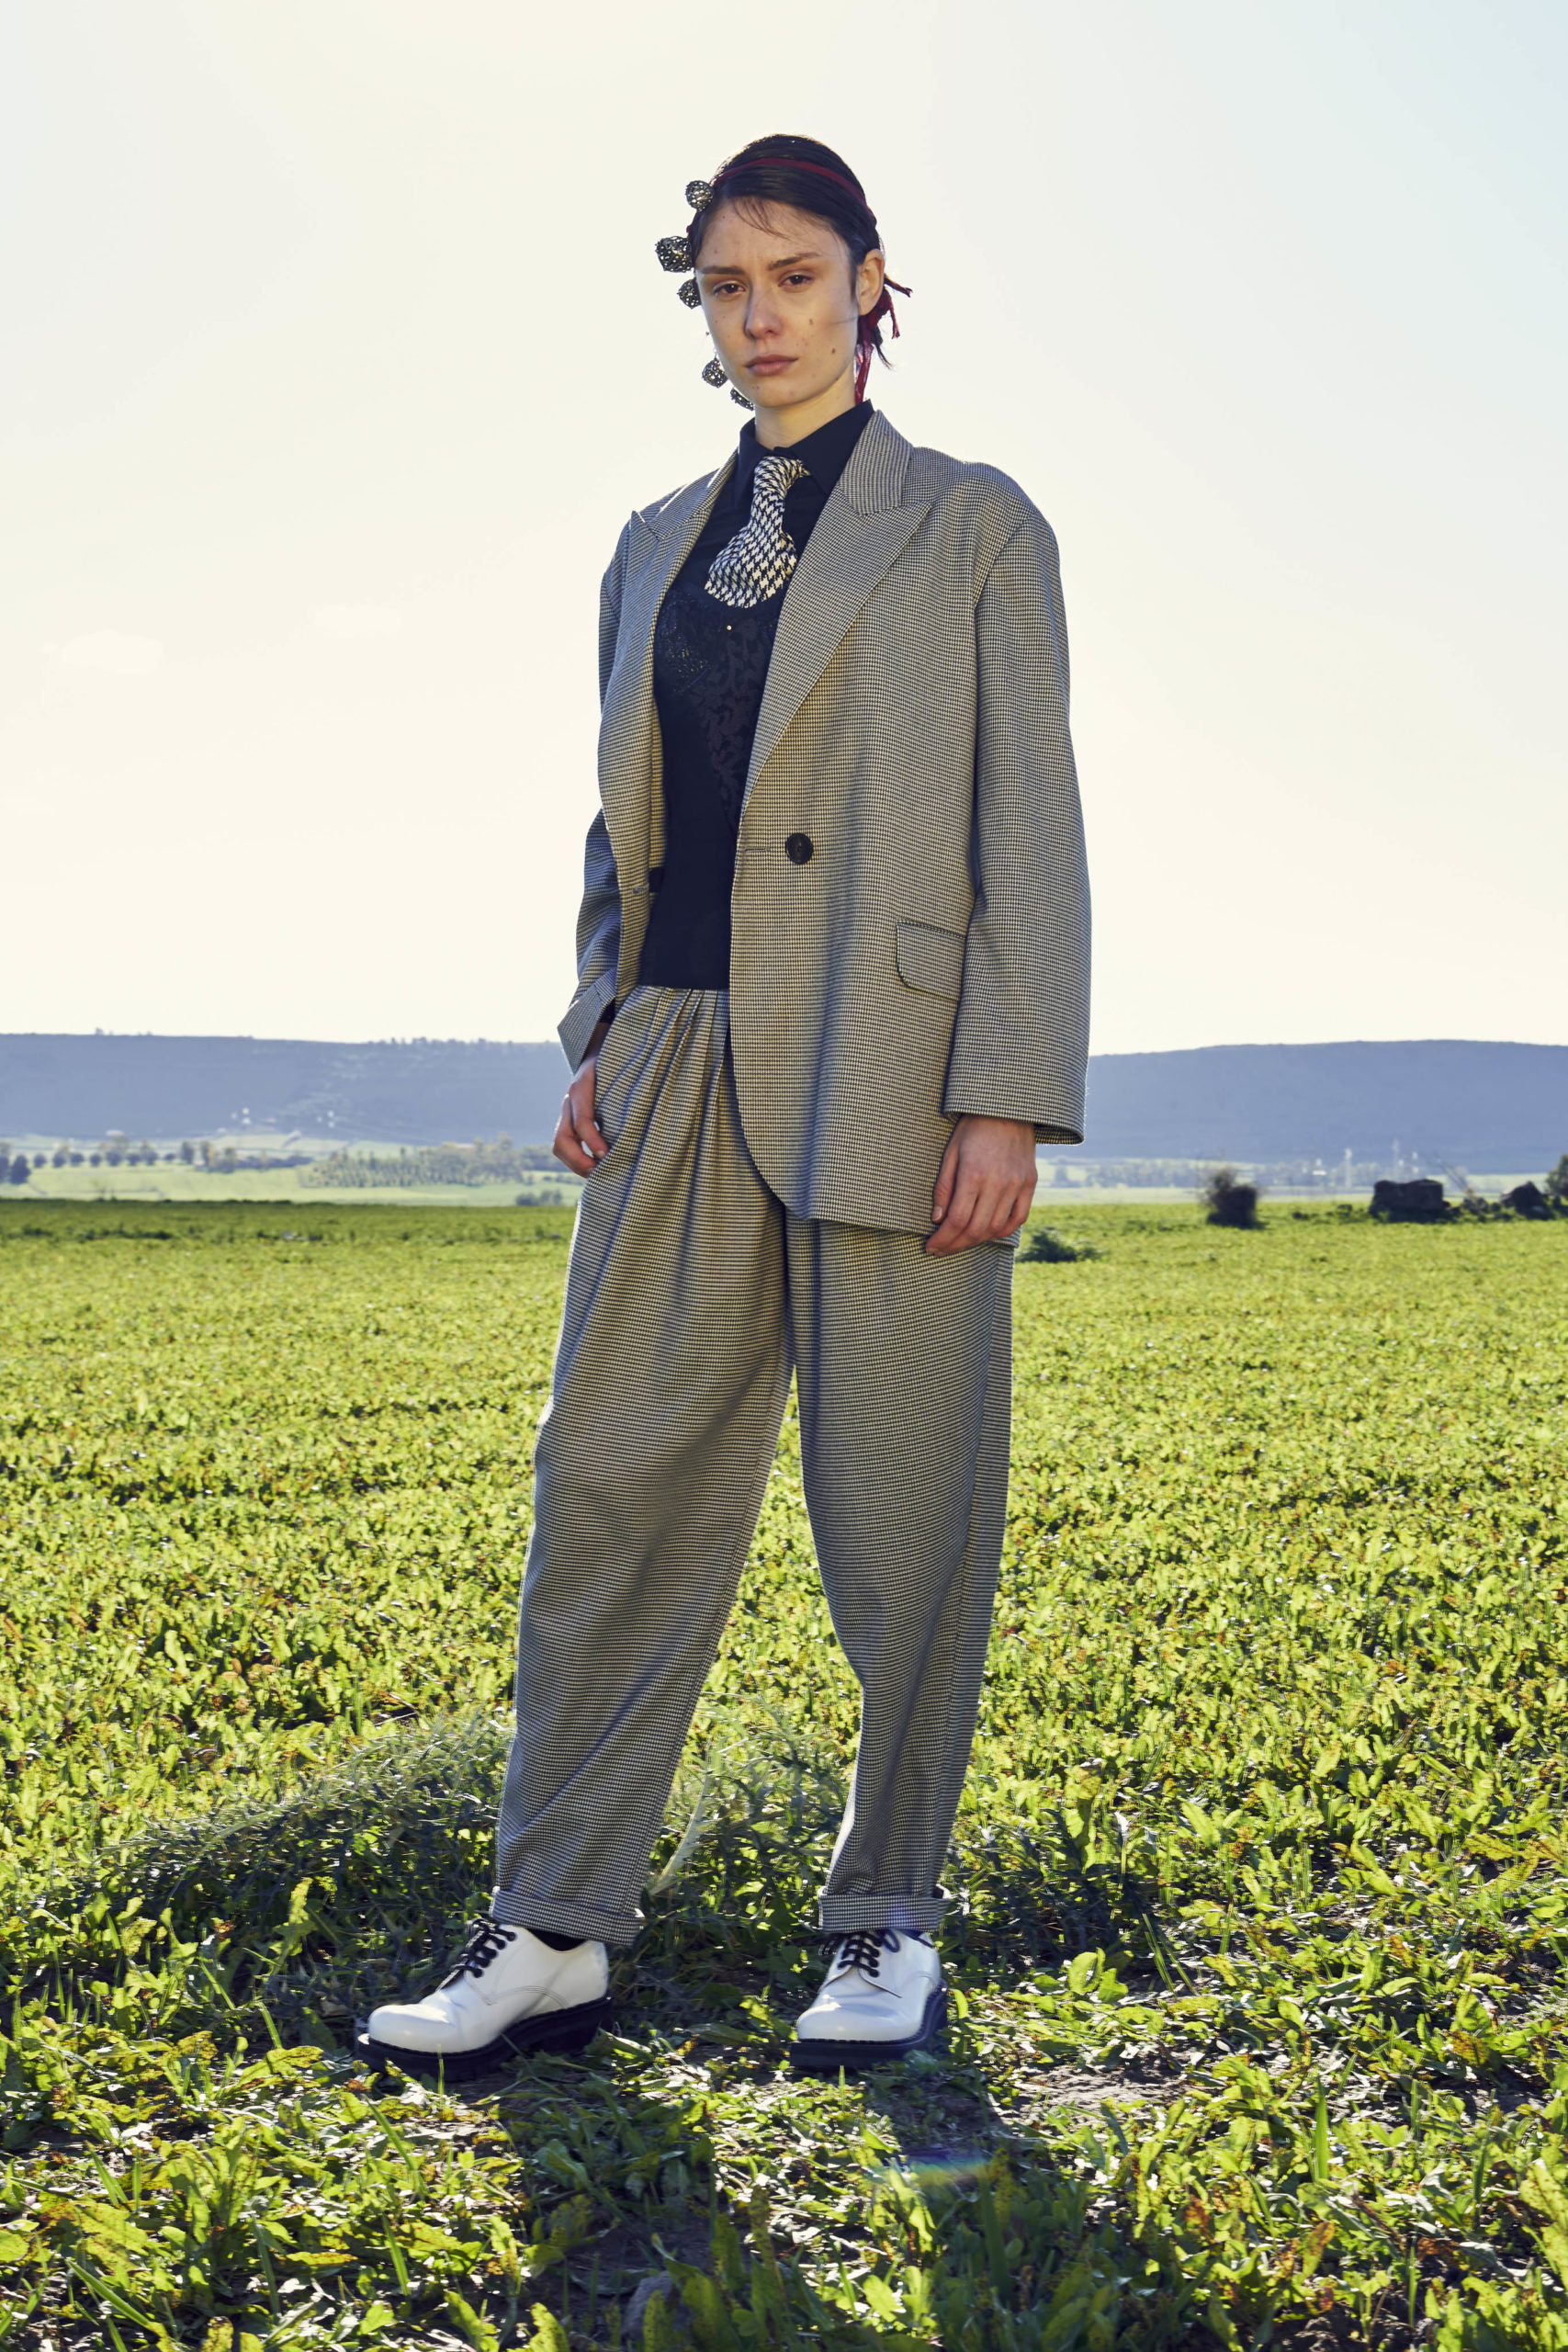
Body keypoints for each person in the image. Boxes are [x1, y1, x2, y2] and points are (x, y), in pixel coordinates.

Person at [360, 133, 1089, 2081]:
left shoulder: (971, 524)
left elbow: (1029, 818)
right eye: (724, 285)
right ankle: (555, 1922)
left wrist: (1006, 1094)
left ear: (870, 281)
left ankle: (883, 1918)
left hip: (895, 1066)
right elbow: (627, 817)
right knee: (603, 1488)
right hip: (676, 1053)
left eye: (794, 275)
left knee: (902, 1517)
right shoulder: (649, 540)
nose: (759, 315)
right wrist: (598, 1023)